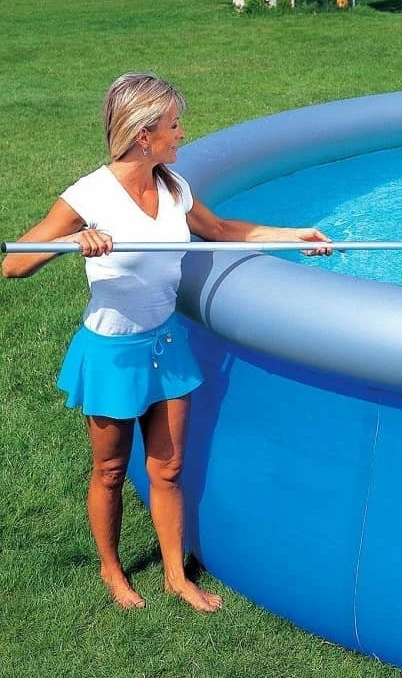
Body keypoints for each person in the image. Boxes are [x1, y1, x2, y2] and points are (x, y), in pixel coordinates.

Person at [1, 72, 331, 612]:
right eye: (174, 125)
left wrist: (294, 236)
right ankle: (112, 570)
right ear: (143, 134)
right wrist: (73, 239)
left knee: (168, 469)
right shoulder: (89, 195)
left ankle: (176, 576)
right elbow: (14, 265)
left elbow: (219, 230)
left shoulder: (174, 186)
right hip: (112, 353)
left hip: (165, 344)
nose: (182, 134)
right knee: (110, 470)